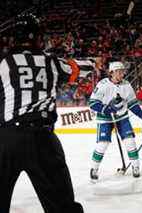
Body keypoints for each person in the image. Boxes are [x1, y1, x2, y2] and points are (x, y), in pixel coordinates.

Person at [0, 14, 84, 212]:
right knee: (63, 207)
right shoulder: (52, 62)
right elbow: (79, 69)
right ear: (37, 37)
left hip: (6, 140)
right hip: (42, 139)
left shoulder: (3, 62)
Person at [89, 61, 142, 180]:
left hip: (122, 117)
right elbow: (93, 103)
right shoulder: (103, 84)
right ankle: (94, 168)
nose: (121, 74)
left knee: (130, 141)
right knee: (103, 144)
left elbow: (133, 104)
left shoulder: (127, 85)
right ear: (111, 73)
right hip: (105, 119)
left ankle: (135, 166)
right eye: (118, 72)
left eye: (122, 71)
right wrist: (107, 109)